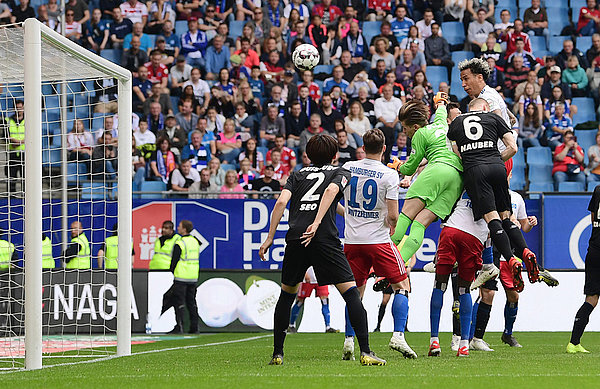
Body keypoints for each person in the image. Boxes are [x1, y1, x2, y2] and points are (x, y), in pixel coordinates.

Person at [258, 134, 386, 366]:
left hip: (296, 239)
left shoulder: (296, 175)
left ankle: (277, 354)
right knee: (351, 295)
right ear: (334, 155)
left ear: (308, 154)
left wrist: (269, 237)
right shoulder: (340, 172)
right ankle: (366, 351)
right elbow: (328, 193)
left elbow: (280, 203)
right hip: (323, 239)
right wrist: (316, 223)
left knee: (287, 295)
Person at [448, 98, 541, 292]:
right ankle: (525, 251)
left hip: (475, 170)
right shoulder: (493, 117)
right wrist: (495, 160)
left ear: (470, 109)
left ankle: (511, 259)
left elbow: (456, 153)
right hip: (498, 167)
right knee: (506, 217)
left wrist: (475, 163)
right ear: (486, 108)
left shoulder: (457, 122)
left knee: (492, 220)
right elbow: (513, 147)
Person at [470, 172, 558, 351]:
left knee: (513, 296)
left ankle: (507, 334)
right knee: (487, 294)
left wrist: (530, 223)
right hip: (492, 250)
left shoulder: (516, 198)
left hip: (510, 255)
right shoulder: (488, 195)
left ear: (509, 176)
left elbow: (523, 227)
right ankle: (473, 337)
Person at [387, 95, 461, 270]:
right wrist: (441, 102)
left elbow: (410, 168)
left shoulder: (419, 134)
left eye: (405, 128)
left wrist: (398, 166)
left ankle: (384, 264)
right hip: (457, 178)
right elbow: (442, 111)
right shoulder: (441, 124)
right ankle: (399, 266)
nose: (404, 132)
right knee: (420, 223)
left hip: (436, 171)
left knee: (405, 217)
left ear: (415, 126)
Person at [567, 184, 600, 353]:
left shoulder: (598, 189)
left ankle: (573, 343)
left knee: (592, 298)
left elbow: (593, 217)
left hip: (594, 250)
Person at [163, 220, 202, 334]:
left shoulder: (180, 243)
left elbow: (174, 261)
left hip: (181, 276)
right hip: (193, 276)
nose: (178, 228)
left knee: (179, 302)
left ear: (184, 229)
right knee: (192, 303)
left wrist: (171, 271)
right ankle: (194, 327)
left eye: (179, 226)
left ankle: (179, 326)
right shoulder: (195, 242)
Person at [288, 267, 338, 333]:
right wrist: (304, 273)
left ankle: (328, 327)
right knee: (300, 301)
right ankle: (291, 325)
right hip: (307, 280)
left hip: (321, 279)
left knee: (325, 300)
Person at [374, 84, 403, 161]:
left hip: (395, 122)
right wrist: (387, 124)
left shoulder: (397, 101)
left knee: (399, 127)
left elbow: (399, 114)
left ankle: (395, 146)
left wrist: (393, 124)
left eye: (389, 91)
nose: (387, 92)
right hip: (383, 122)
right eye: (385, 91)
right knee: (377, 127)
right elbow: (378, 115)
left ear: (392, 92)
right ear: (382, 92)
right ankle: (379, 148)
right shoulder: (378, 101)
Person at [6, 100, 25, 193]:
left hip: (24, 153)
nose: (19, 110)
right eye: (17, 108)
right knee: (12, 177)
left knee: (25, 177)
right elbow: (6, 136)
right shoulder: (8, 120)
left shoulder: (28, 120)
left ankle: (26, 197)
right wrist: (21, 142)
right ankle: (11, 197)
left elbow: (30, 136)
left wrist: (17, 142)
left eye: (21, 108)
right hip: (12, 152)